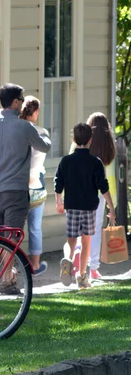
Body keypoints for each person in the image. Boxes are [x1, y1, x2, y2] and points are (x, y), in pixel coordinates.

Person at [0, 83, 51, 292]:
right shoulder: (24, 127)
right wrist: (43, 134)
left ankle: (7, 275)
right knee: (13, 237)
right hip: (16, 190)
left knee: (2, 236)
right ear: (16, 102)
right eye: (21, 98)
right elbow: (44, 146)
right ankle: (7, 281)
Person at [54, 123, 116, 289]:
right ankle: (82, 277)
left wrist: (58, 201)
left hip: (71, 207)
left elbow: (58, 183)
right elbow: (103, 186)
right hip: (89, 208)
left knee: (71, 241)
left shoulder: (66, 161)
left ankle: (67, 260)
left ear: (73, 139)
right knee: (86, 242)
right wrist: (111, 207)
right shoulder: (95, 162)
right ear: (90, 140)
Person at [71, 112, 117, 280]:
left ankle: (76, 253)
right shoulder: (109, 149)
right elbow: (109, 179)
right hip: (97, 196)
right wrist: (113, 204)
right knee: (94, 231)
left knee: (77, 229)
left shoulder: (79, 142)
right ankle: (94, 268)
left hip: (76, 193)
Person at [19, 96, 48, 276]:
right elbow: (38, 159)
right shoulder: (41, 132)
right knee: (35, 226)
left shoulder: (15, 130)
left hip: (17, 182)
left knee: (14, 227)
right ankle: (35, 265)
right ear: (35, 112)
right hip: (36, 183)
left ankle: (10, 266)